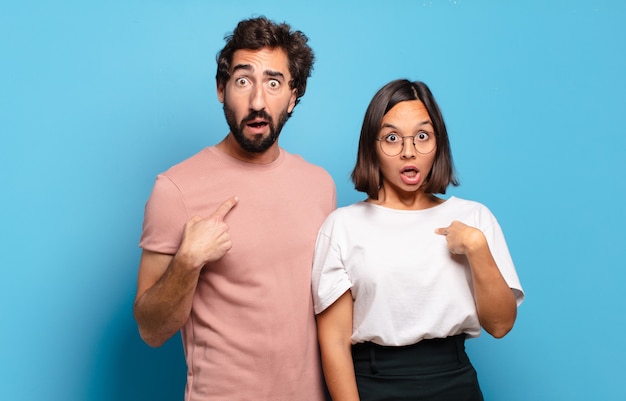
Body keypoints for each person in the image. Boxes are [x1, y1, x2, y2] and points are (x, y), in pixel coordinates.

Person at [133, 16, 336, 401]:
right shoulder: (175, 188)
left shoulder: (320, 186)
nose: (257, 101)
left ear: (293, 95)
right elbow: (151, 330)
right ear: (221, 89)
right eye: (243, 81)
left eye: (274, 83)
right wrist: (188, 261)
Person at [312, 79, 524, 401]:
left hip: (455, 380)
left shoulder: (474, 219)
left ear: (438, 143)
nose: (409, 151)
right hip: (374, 382)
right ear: (372, 146)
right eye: (393, 138)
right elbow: (334, 342)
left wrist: (477, 248)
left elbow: (500, 325)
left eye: (422, 136)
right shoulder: (343, 226)